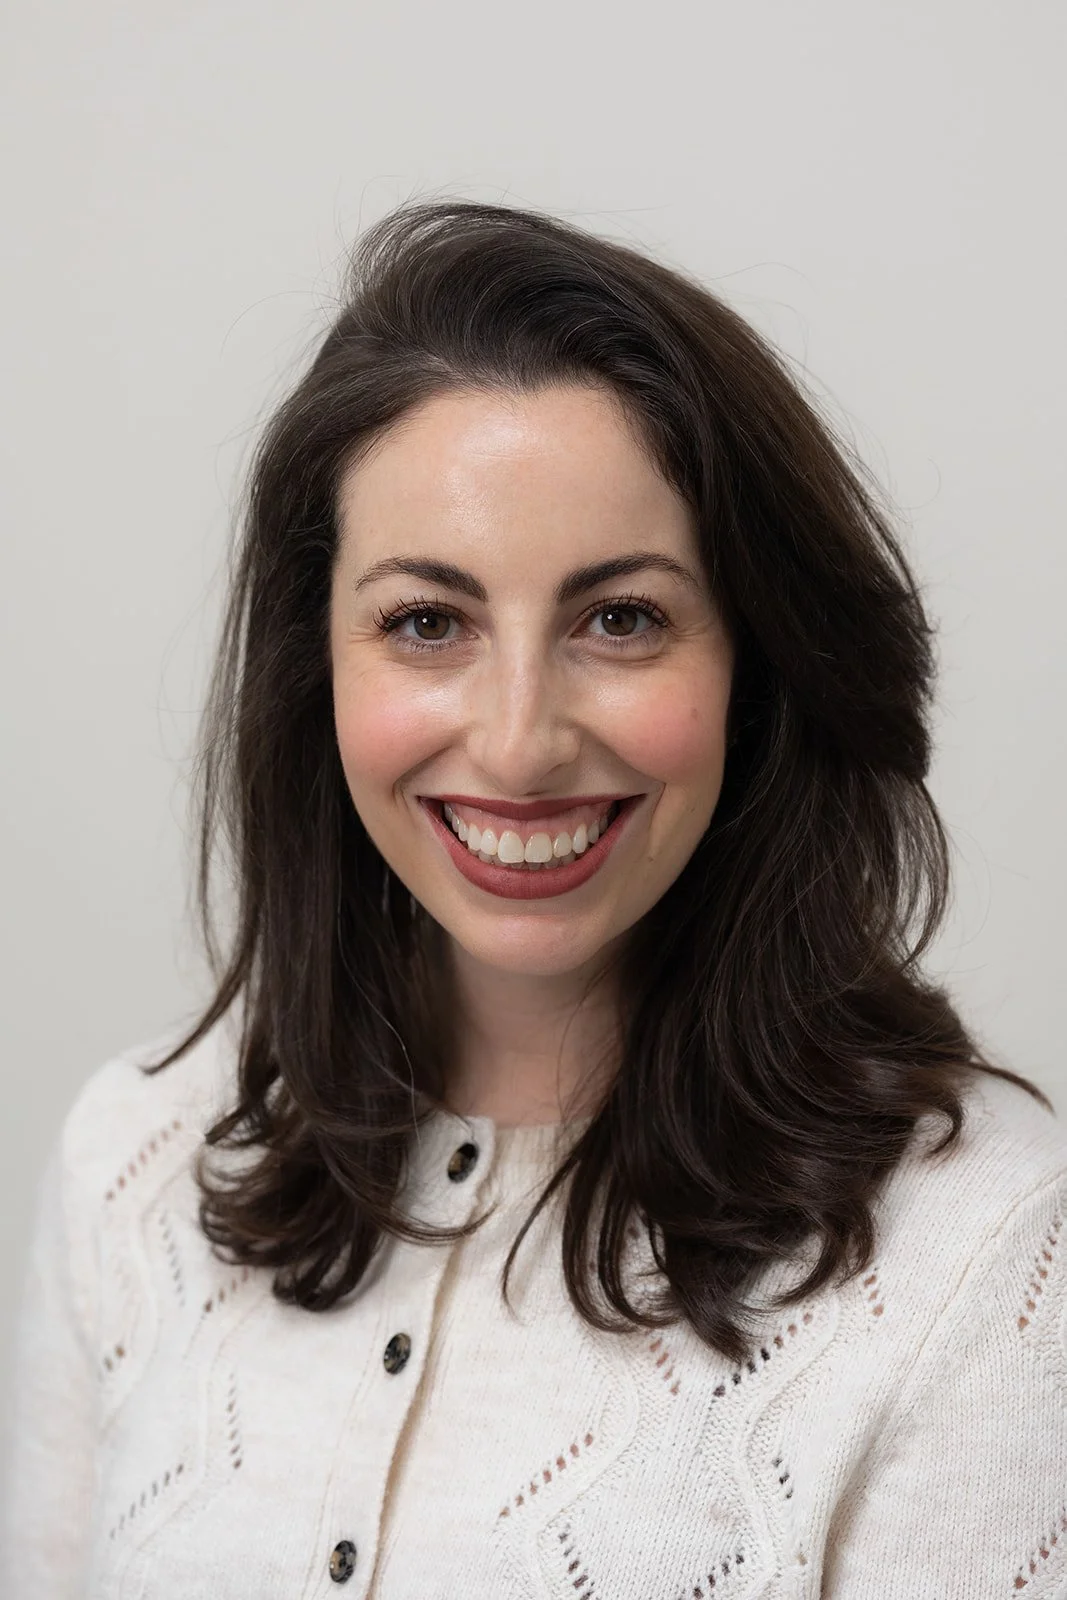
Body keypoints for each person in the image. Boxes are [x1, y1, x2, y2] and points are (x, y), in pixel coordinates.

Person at [3, 198, 1065, 1600]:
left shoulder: (980, 1251)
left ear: (757, 665)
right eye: (425, 622)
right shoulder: (134, 1161)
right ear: (317, 663)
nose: (516, 740)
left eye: (619, 618)